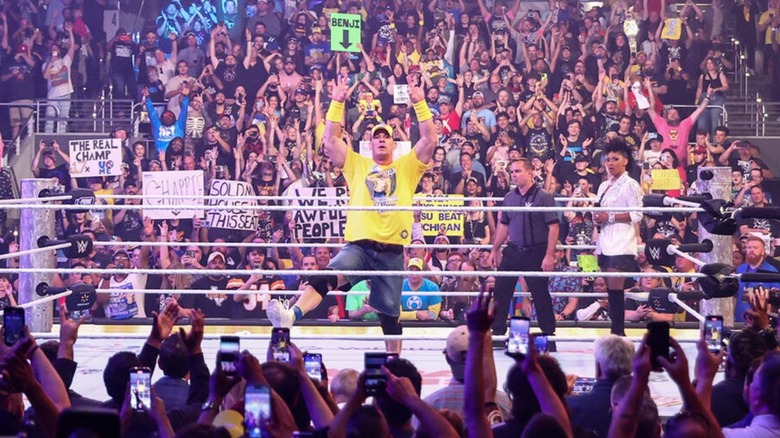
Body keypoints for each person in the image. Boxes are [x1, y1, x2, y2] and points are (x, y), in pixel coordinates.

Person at [266, 76, 436, 354]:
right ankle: (291, 316)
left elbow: (429, 139)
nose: (381, 140)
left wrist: (419, 103)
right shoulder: (358, 164)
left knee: (390, 317)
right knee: (328, 276)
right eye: (376, 137)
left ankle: (393, 365)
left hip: (392, 252)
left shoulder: (407, 167)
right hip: (359, 246)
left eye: (386, 137)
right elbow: (330, 139)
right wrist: (336, 101)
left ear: (394, 146)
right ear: (369, 146)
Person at [489, 158, 560, 340]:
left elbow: (553, 226)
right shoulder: (509, 197)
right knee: (501, 290)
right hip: (513, 250)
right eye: (512, 172)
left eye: (518, 171)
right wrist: (494, 249)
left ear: (530, 173)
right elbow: (503, 225)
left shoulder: (543, 196)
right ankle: (497, 332)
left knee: (540, 292)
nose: (514, 175)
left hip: (536, 251)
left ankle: (548, 333)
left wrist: (549, 255)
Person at [593, 138, 643, 336]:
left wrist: (610, 217)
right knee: (610, 290)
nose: (610, 163)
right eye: (608, 159)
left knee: (615, 291)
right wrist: (598, 219)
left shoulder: (631, 185)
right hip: (605, 241)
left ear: (625, 161)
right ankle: (615, 331)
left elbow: (637, 214)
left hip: (621, 243)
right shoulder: (603, 185)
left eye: (615, 159)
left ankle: (618, 332)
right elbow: (599, 213)